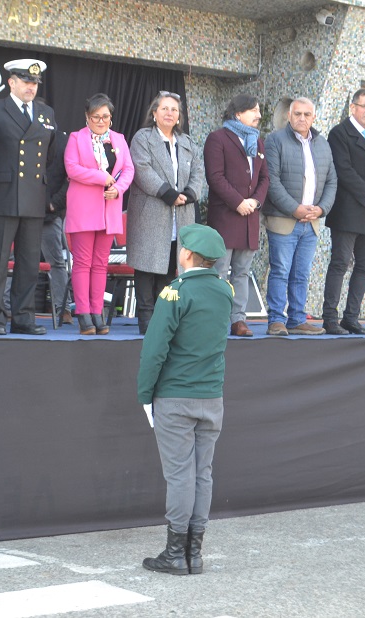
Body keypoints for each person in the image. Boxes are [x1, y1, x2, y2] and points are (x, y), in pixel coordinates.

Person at [138, 223, 232, 576]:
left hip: (176, 396)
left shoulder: (175, 293)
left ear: (189, 255)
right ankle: (195, 553)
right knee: (202, 475)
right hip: (211, 396)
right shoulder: (224, 290)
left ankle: (175, 554)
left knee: (180, 475)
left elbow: (154, 350)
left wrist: (145, 394)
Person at [0, 59, 57, 335]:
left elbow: (51, 156)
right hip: (2, 194)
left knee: (29, 262)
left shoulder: (46, 113)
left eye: (34, 82)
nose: (31, 87)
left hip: (33, 196)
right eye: (25, 81)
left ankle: (23, 316)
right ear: (11, 82)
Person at [127, 91, 205, 334]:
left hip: (180, 215)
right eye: (164, 109)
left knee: (170, 263)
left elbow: (199, 171)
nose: (170, 113)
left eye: (174, 110)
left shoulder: (187, 143)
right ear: (154, 113)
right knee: (147, 265)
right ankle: (146, 319)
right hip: (151, 211)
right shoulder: (143, 138)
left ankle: (162, 318)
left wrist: (191, 193)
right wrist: (168, 193)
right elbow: (141, 169)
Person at [262, 97, 337, 336]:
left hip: (312, 222)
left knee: (301, 274)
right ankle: (276, 320)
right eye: (297, 114)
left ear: (314, 117)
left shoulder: (323, 144)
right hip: (284, 220)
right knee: (281, 271)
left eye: (307, 114)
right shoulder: (274, 141)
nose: (302, 118)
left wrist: (321, 208)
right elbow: (271, 181)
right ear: (289, 116)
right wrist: (294, 209)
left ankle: (296, 318)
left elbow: (332, 181)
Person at [322, 89, 365, 335]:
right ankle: (330, 318)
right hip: (349, 211)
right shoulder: (340, 133)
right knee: (340, 263)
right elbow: (343, 169)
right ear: (353, 107)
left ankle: (351, 317)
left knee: (364, 266)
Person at [63, 93, 134, 335]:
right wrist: (101, 178)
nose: (101, 121)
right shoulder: (76, 138)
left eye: (105, 116)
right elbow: (72, 168)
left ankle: (98, 311)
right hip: (83, 208)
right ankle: (83, 314)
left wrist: (118, 188)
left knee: (100, 264)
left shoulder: (119, 139)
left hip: (109, 208)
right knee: (83, 262)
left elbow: (128, 169)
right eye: (96, 117)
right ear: (87, 117)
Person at [203, 93, 270, 337]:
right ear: (238, 113)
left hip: (250, 217)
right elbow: (215, 177)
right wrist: (238, 202)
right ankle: (217, 319)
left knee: (242, 272)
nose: (259, 115)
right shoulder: (218, 138)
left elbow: (264, 178)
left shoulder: (258, 142)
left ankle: (238, 320)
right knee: (219, 272)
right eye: (254, 110)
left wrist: (255, 201)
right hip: (226, 217)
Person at [42, 129, 72, 327]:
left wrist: (54, 204)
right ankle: (7, 307)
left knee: (57, 263)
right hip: (22, 212)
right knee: (14, 261)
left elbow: (70, 177)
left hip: (50, 214)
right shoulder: (21, 136)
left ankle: (64, 309)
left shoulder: (63, 140)